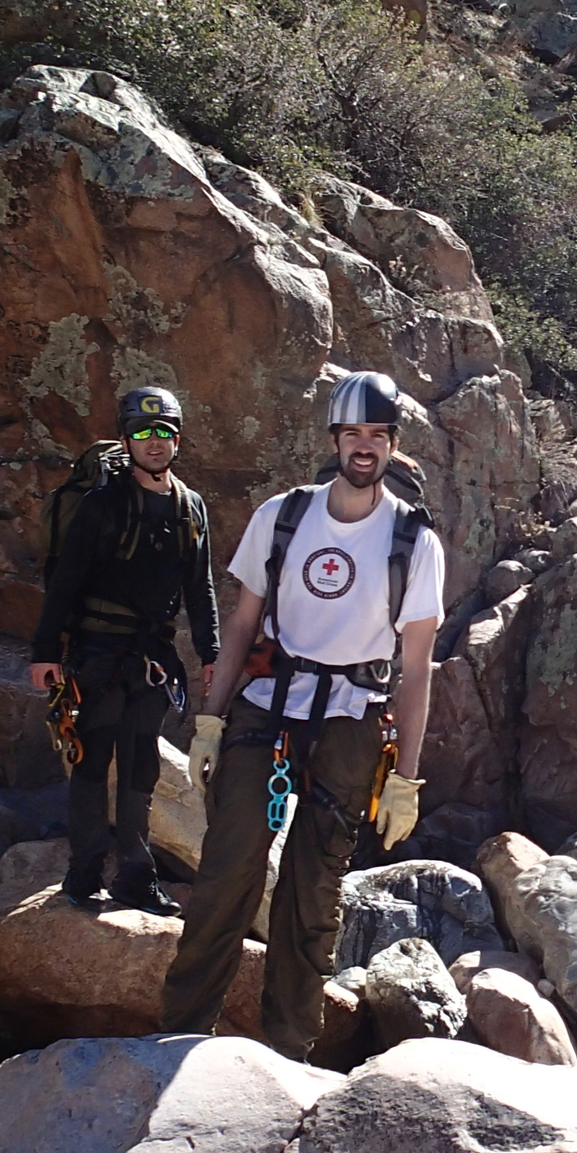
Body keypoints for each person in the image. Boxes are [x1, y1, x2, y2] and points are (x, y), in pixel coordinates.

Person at [161, 370, 443, 1060]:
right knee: (228, 866)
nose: (365, 447)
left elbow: (416, 670)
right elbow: (242, 623)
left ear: (392, 442)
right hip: (270, 704)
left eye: (378, 435)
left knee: (313, 890)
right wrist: (210, 719)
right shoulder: (283, 516)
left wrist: (406, 776)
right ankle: (175, 1033)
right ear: (334, 440)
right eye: (354, 434)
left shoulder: (413, 542)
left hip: (351, 719)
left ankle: (287, 1051)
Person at [28, 386, 220, 914]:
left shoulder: (190, 506)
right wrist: (45, 652)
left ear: (177, 439)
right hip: (98, 655)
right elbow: (66, 581)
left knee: (142, 770)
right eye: (142, 433)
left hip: (153, 661)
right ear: (126, 439)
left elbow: (199, 588)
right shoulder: (103, 504)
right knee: (91, 763)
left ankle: (135, 876)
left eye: (163, 433)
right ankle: (84, 871)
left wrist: (212, 655)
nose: (153, 442)